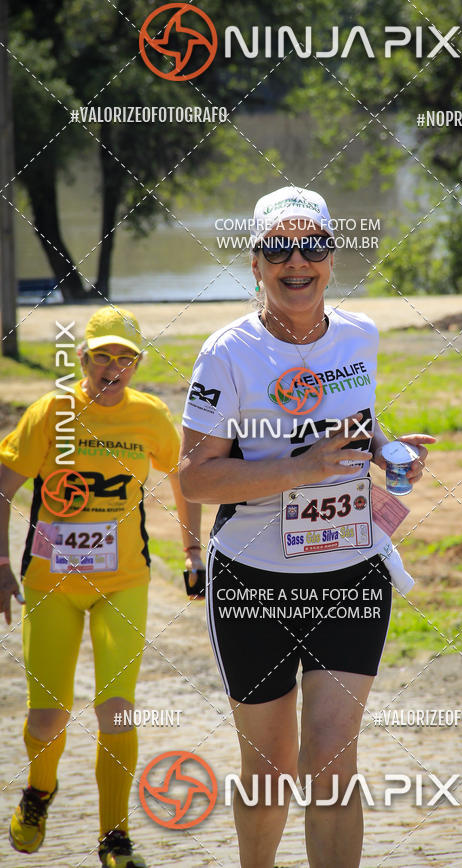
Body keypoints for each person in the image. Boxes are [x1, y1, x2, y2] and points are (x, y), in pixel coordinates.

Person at [179, 186, 435, 868]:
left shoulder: (360, 335)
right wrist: (304, 467)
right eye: (279, 248)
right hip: (254, 581)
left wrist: (386, 452)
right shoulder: (227, 353)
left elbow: (358, 424)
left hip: (350, 571)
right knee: (270, 769)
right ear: (256, 262)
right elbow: (196, 478)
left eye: (313, 246)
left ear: (331, 255)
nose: (298, 261)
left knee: (330, 761)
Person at [0, 306, 203, 867]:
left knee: (117, 712)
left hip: (123, 583)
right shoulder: (51, 411)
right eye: (103, 356)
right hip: (51, 585)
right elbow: (5, 483)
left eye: (125, 357)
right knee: (48, 717)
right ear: (83, 358)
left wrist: (192, 550)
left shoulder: (150, 416)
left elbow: (184, 478)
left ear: (136, 363)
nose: (113, 367)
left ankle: (115, 838)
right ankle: (39, 792)